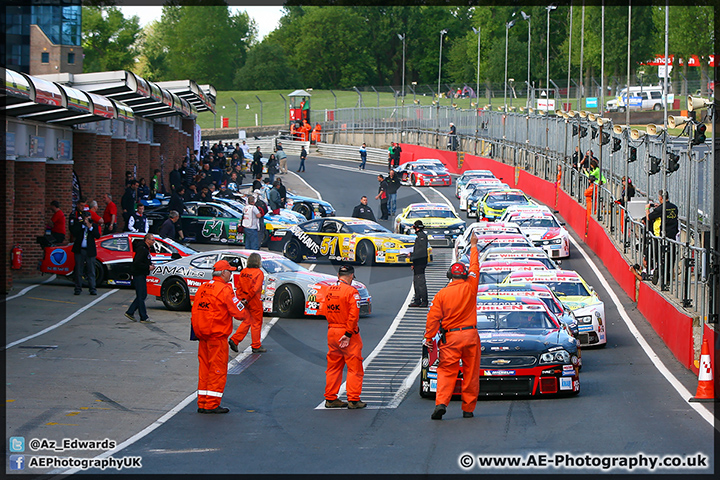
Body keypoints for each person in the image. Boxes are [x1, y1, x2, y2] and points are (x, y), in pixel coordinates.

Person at [423, 233, 480, 420]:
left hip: (451, 338)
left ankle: (441, 403)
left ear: (449, 276)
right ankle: (468, 409)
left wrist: (429, 338)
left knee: (446, 371)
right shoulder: (471, 286)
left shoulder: (441, 295)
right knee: (471, 373)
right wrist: (473, 246)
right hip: (471, 336)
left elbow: (432, 318)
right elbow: (475, 267)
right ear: (464, 275)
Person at [191, 260, 245, 414]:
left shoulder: (203, 287)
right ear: (223, 273)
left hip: (202, 335)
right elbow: (239, 314)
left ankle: (202, 402)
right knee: (217, 370)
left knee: (205, 369)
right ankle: (211, 404)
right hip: (217, 335)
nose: (231, 274)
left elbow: (196, 309)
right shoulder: (225, 290)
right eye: (230, 271)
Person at [322, 264, 366, 409]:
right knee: (354, 367)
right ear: (351, 276)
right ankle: (353, 399)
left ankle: (330, 398)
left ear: (338, 275)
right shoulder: (351, 292)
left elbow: (323, 310)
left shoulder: (328, 290)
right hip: (347, 333)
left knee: (333, 367)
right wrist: (347, 334)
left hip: (332, 330)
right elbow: (354, 316)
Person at [228, 252, 266, 354]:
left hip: (244, 299)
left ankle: (235, 340)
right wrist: (247, 298)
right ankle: (256, 345)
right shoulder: (259, 273)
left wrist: (241, 298)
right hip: (254, 300)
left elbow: (239, 286)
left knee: (247, 321)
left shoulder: (244, 272)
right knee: (256, 323)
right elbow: (255, 289)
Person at [124, 233, 155, 323]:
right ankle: (143, 316)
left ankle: (130, 311)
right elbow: (137, 263)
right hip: (138, 274)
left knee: (143, 295)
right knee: (141, 296)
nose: (154, 241)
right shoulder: (142, 249)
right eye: (152, 240)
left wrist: (149, 265)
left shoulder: (145, 249)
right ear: (147, 240)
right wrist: (147, 267)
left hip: (142, 274)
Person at [71, 211, 101, 295]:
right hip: (80, 250)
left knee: (91, 270)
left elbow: (97, 235)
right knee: (78, 270)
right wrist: (83, 226)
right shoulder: (79, 225)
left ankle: (92, 288)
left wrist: (90, 227)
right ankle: (78, 288)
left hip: (89, 250)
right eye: (87, 219)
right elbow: (74, 232)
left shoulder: (94, 226)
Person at [409, 220, 429, 308]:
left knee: (420, 282)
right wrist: (413, 262)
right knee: (416, 282)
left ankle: (424, 300)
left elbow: (421, 251)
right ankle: (417, 300)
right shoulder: (419, 236)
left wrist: (412, 256)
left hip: (420, 263)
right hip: (417, 263)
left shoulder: (422, 237)